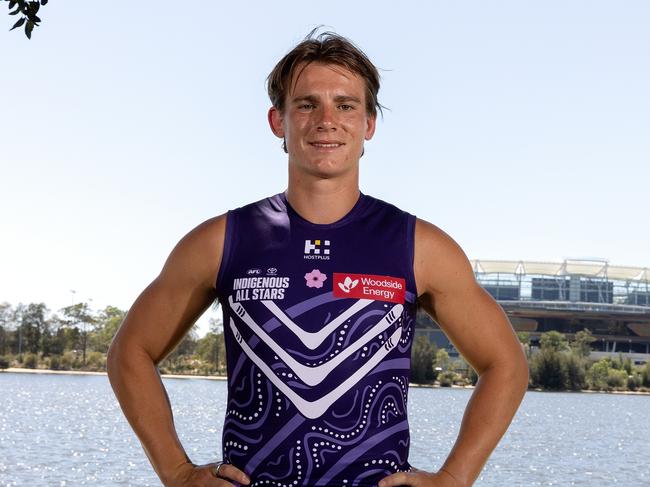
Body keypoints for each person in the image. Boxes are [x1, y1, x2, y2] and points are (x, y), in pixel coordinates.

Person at [107, 30, 529, 487]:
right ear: (277, 121)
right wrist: (177, 472)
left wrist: (454, 478)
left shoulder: (420, 247)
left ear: (369, 123)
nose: (327, 120)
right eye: (307, 105)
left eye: (346, 105)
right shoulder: (221, 240)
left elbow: (506, 365)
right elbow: (129, 352)